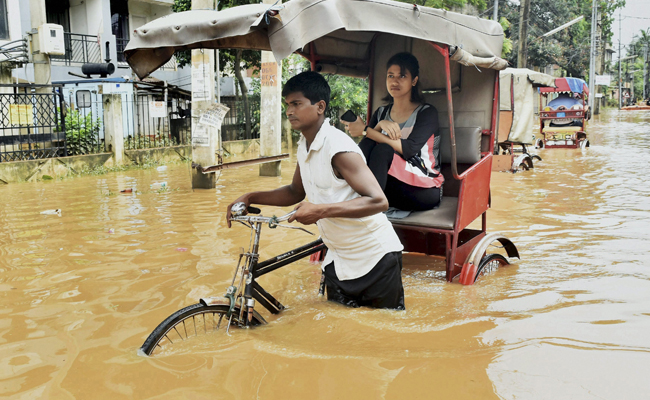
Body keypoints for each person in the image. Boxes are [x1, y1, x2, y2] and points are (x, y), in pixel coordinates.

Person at [226, 71, 405, 310]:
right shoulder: (305, 144)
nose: (289, 111)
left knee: (382, 335)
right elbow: (294, 192)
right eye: (288, 105)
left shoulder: (338, 147)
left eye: (297, 104)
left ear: (320, 106)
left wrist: (319, 210)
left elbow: (378, 201)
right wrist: (250, 196)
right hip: (338, 259)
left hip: (375, 258)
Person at [342, 52, 443, 212]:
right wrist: (377, 126)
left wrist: (365, 129)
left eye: (402, 76)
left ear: (414, 81)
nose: (395, 81)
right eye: (390, 76)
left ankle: (370, 209)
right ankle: (358, 200)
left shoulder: (427, 112)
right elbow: (366, 149)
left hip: (423, 188)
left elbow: (409, 149)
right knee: (368, 146)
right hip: (389, 184)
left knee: (383, 149)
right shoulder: (381, 112)